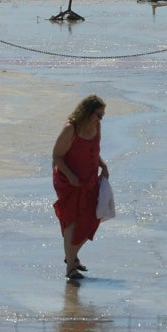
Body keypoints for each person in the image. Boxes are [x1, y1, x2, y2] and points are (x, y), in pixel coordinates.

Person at [52, 94, 109, 280]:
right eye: (98, 115)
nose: (100, 119)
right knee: (73, 220)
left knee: (93, 218)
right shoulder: (71, 129)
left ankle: (72, 257)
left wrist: (103, 165)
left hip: (90, 179)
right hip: (69, 181)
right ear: (87, 111)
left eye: (102, 116)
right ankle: (70, 267)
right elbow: (57, 156)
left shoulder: (96, 127)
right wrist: (71, 176)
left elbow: (93, 151)